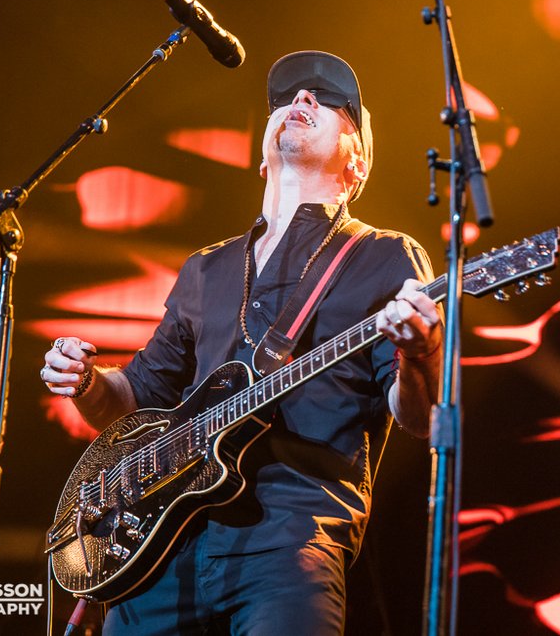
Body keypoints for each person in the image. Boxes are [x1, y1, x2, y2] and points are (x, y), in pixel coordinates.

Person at [40, 51, 442, 635]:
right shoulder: (207, 267)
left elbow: (421, 417)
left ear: (357, 163)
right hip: (160, 554)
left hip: (288, 544)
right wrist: (85, 382)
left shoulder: (385, 256)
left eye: (331, 101)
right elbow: (134, 399)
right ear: (261, 158)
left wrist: (421, 351)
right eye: (287, 97)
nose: (301, 99)